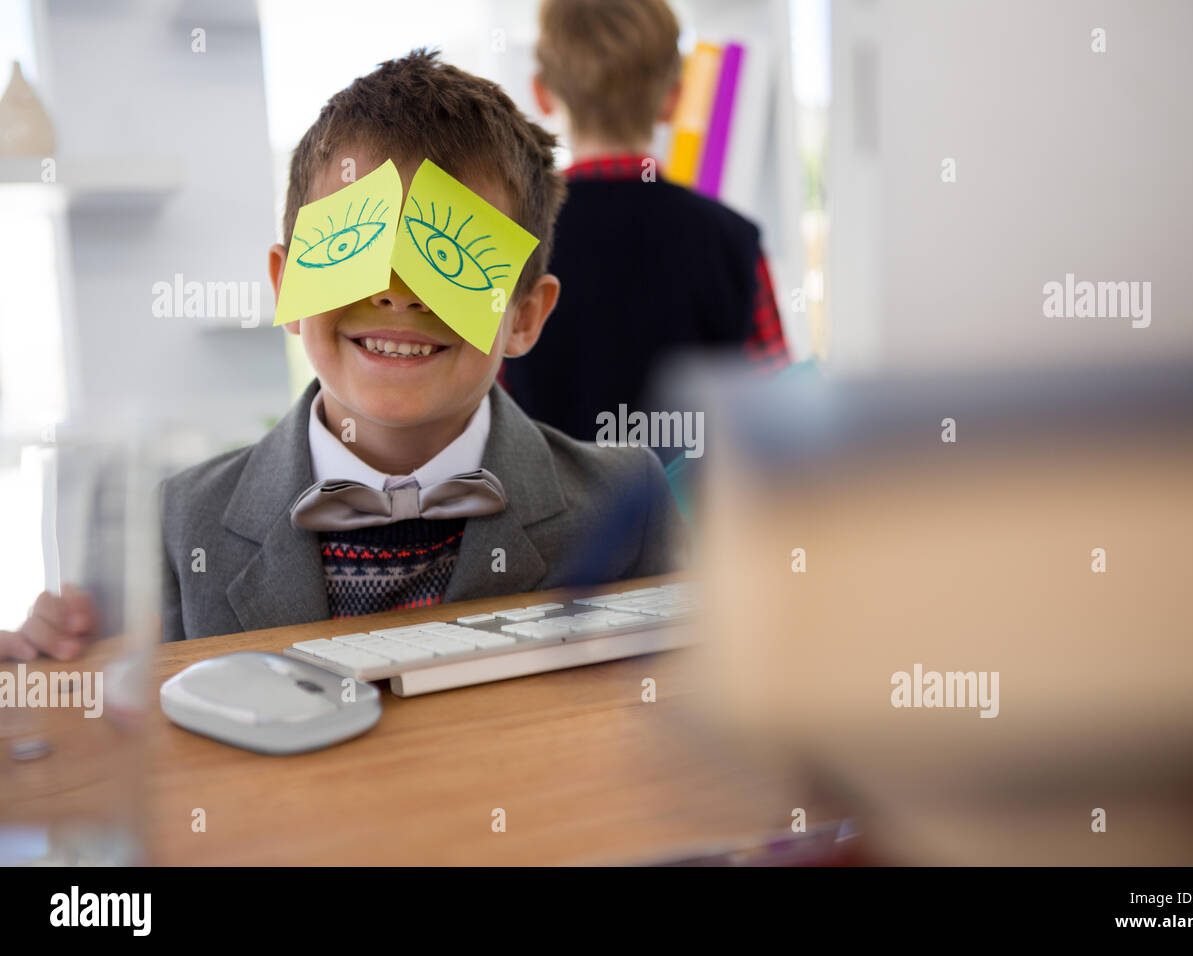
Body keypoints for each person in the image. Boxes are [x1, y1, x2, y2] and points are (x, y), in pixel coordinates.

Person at [1, 48, 684, 657]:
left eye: (447, 258)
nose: (398, 296)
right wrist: (61, 669)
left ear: (525, 317)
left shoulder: (625, 503)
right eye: (357, 249)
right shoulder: (180, 525)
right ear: (289, 284)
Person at [503, 0, 790, 448]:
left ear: (540, 92)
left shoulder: (510, 242)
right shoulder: (734, 240)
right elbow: (774, 419)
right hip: (696, 514)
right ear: (674, 98)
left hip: (551, 514)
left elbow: (482, 417)